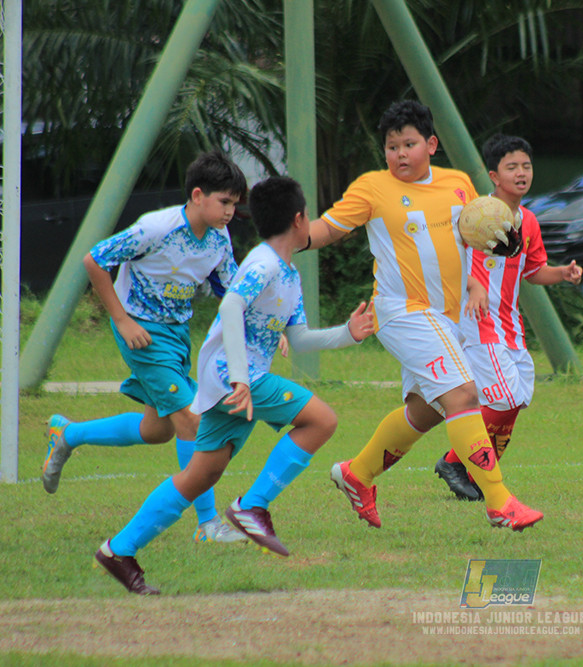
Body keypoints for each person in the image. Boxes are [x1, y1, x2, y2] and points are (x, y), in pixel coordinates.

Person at [94, 175, 376, 594]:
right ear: (300, 221)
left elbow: (298, 339)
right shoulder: (262, 264)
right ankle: (252, 506)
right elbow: (229, 305)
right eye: (310, 218)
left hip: (235, 381)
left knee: (200, 475)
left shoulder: (288, 273)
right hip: (234, 379)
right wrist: (242, 378)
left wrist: (347, 334)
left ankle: (119, 550)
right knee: (321, 420)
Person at [308, 100, 543, 531]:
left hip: (445, 317)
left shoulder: (457, 184)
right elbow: (327, 229)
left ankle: (356, 475)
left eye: (409, 144)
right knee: (464, 396)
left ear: (431, 144)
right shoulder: (372, 188)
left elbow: (477, 233)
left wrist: (477, 277)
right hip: (403, 313)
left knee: (426, 410)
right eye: (392, 146)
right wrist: (295, 237)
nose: (399, 153)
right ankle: (499, 501)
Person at [43, 150, 249, 543]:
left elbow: (233, 291)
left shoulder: (219, 238)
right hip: (143, 335)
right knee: (193, 419)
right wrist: (122, 319)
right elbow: (94, 260)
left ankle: (67, 435)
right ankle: (207, 526)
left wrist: (271, 326)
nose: (229, 212)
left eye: (234, 205)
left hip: (176, 336)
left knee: (157, 430)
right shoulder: (156, 228)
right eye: (224, 202)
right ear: (198, 195)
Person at [434, 134, 582, 501]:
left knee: (516, 399)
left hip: (510, 326)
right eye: (511, 167)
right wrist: (473, 285)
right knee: (502, 400)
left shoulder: (528, 221)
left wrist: (561, 273)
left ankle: (465, 466)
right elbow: (446, 262)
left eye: (526, 166)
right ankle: (459, 464)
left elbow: (534, 272)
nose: (521, 173)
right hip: (478, 323)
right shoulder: (475, 216)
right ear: (493, 176)